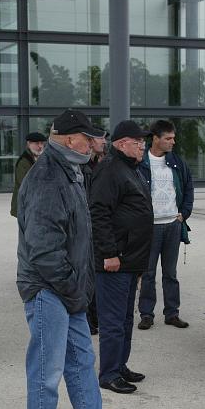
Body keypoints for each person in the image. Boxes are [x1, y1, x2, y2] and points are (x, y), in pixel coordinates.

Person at [17, 108, 136, 409]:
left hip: (69, 288)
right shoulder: (47, 177)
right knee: (46, 363)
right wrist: (71, 285)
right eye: (88, 138)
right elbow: (43, 248)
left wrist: (77, 288)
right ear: (71, 140)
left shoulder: (70, 171)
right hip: (49, 286)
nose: (94, 144)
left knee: (82, 357)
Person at [89, 120, 153, 394]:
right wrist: (110, 254)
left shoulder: (130, 168)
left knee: (126, 318)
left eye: (143, 142)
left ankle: (119, 364)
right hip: (116, 261)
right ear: (121, 143)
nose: (143, 146)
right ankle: (109, 373)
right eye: (138, 142)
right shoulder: (110, 169)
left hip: (131, 260)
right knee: (113, 321)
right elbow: (98, 214)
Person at [136, 120, 194, 331]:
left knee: (170, 273)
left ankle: (172, 313)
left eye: (173, 138)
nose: (173, 142)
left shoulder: (177, 162)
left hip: (172, 224)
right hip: (149, 227)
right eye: (168, 138)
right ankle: (146, 314)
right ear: (156, 138)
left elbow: (188, 188)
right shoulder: (140, 162)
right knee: (148, 273)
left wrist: (184, 214)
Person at [81, 130, 107, 335]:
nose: (104, 142)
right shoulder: (83, 167)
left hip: (98, 227)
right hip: (88, 227)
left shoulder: (102, 163)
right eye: (100, 138)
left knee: (96, 275)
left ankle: (95, 317)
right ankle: (88, 318)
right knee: (88, 275)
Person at [10, 132, 47, 217]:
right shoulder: (24, 161)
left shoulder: (43, 159)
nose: (40, 146)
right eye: (37, 143)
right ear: (29, 144)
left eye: (42, 143)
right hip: (25, 205)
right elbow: (25, 184)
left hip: (38, 205)